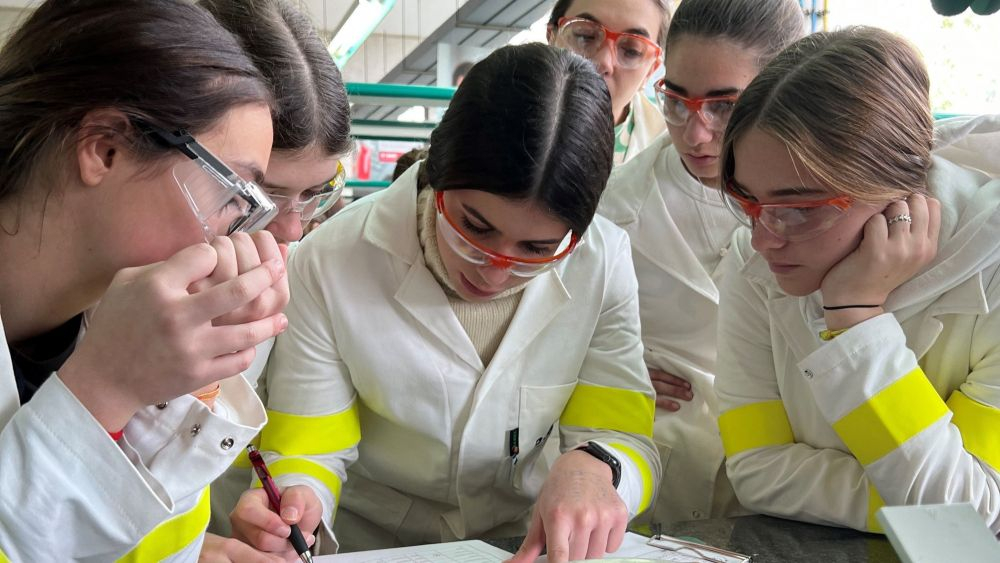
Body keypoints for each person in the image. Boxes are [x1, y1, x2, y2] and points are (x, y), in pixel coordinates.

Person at [231, 43, 660, 563]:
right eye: (474, 228)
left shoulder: (603, 262)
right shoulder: (331, 260)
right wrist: (301, 502)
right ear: (437, 171)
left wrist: (598, 466)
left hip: (519, 542)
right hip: (377, 544)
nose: (494, 272)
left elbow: (624, 437)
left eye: (536, 250)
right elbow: (310, 444)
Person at [0, 0, 290, 560]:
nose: (237, 234)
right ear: (104, 148)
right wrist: (105, 390)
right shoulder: (108, 355)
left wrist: (181, 385)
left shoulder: (104, 326)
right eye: (234, 195)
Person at [715, 26, 1000, 533]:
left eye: (799, 210)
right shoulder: (751, 261)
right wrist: (913, 503)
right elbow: (756, 471)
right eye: (749, 202)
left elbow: (967, 516)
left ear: (900, 189)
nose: (762, 241)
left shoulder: (993, 271)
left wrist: (856, 317)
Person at [598, 0, 805, 526]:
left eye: (725, 106)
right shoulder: (611, 210)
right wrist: (600, 363)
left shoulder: (836, 207)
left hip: (796, 475)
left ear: (792, 89)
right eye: (675, 101)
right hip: (662, 480)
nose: (695, 134)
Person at [197, 0, 354, 548]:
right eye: (259, 196)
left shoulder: (267, 263)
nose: (291, 229)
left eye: (315, 194)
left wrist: (294, 491)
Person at [547, 0, 671, 164]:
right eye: (585, 36)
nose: (603, 62)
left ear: (650, 71)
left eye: (631, 51)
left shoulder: (670, 152)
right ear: (551, 37)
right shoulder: (511, 112)